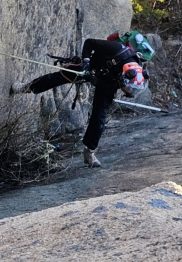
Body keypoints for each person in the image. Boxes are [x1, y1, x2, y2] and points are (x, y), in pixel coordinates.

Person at [10, 35, 149, 167]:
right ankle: (26, 87)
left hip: (107, 82)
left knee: (99, 118)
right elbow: (90, 43)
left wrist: (100, 82)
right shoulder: (115, 49)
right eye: (127, 88)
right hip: (91, 67)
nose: (127, 91)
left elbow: (117, 85)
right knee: (57, 78)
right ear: (124, 76)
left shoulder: (135, 70)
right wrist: (86, 62)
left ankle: (90, 152)